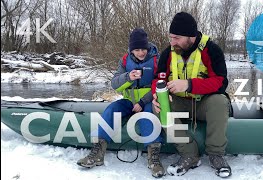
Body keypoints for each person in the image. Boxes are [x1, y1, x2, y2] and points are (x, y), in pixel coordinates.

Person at [152, 12, 232, 178]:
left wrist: (189, 84)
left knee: (220, 101)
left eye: (177, 38)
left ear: (191, 36)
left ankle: (216, 155)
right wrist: (157, 95)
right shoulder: (168, 53)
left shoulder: (212, 50)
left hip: (204, 103)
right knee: (159, 108)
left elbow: (221, 82)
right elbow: (158, 79)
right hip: (179, 103)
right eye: (170, 37)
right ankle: (189, 154)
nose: (172, 42)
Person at [77, 28, 165, 178]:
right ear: (131, 50)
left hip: (149, 101)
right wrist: (128, 77)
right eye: (137, 49)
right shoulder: (125, 61)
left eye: (143, 49)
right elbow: (115, 84)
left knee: (148, 116)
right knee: (112, 109)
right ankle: (98, 151)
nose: (141, 52)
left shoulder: (157, 60)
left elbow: (160, 84)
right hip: (129, 101)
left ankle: (154, 157)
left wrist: (143, 102)